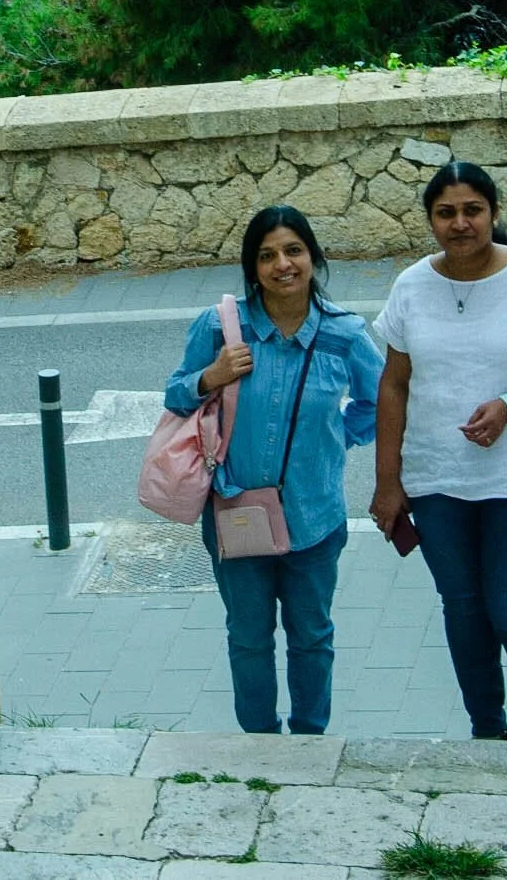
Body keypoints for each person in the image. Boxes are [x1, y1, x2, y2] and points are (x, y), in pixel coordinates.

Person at [369, 161, 507, 742]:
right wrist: (387, 482)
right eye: (445, 213)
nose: (460, 223)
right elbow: (394, 384)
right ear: (430, 220)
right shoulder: (411, 286)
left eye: (472, 210)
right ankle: (489, 735)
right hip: (437, 479)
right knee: (464, 609)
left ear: (494, 213)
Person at [164, 206, 383, 735]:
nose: (282, 265)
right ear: (253, 268)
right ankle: (258, 742)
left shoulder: (344, 334)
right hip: (235, 514)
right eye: (267, 256)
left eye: (293, 251)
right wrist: (211, 376)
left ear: (313, 257)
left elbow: (380, 402)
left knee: (312, 636)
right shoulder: (220, 328)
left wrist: (334, 439)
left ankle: (308, 739)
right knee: (248, 638)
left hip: (314, 517)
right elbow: (175, 396)